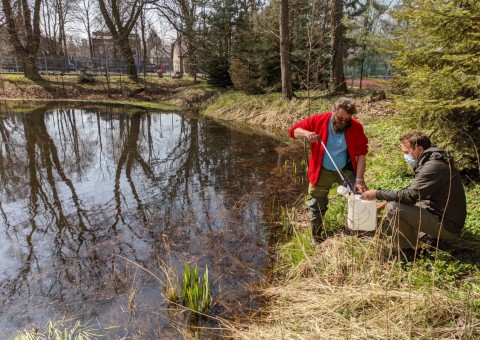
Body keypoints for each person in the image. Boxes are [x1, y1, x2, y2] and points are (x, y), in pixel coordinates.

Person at [361, 131, 466, 252]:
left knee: (393, 208)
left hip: (447, 226)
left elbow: (410, 196)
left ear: (419, 149)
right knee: (396, 204)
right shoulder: (432, 161)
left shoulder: (433, 166)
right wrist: (387, 200)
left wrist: (377, 193)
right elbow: (414, 191)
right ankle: (427, 238)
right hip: (442, 216)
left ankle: (410, 250)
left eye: (406, 152)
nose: (405, 156)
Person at [288, 97, 369, 243]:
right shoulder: (319, 120)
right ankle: (317, 238)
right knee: (316, 205)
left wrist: (359, 179)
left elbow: (361, 154)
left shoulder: (356, 127)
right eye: (340, 118)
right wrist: (306, 133)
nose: (343, 122)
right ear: (333, 112)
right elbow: (293, 131)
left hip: (345, 169)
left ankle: (360, 233)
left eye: (347, 119)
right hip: (322, 170)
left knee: (360, 195)